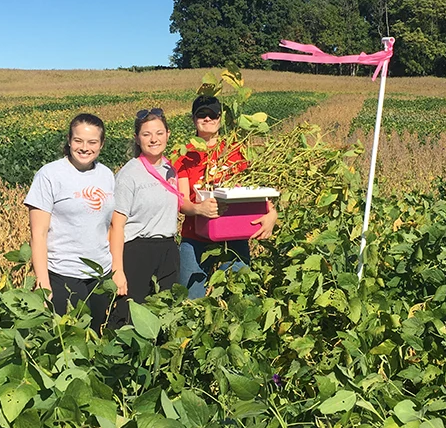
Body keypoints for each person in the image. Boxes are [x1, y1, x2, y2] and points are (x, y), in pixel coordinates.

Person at [174, 95, 277, 299]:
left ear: (220, 118)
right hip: (195, 236)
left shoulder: (236, 151)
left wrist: (271, 214)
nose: (208, 119)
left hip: (234, 233)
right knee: (190, 299)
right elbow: (182, 200)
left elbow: (254, 189)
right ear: (193, 119)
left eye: (213, 114)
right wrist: (198, 209)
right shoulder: (184, 154)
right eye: (202, 114)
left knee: (238, 296)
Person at [24, 113, 115, 331]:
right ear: (69, 140)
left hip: (100, 275)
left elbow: (109, 225)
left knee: (98, 338)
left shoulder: (107, 175)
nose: (85, 147)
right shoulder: (49, 175)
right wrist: (43, 281)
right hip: (64, 274)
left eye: (92, 142)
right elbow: (38, 234)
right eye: (78, 140)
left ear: (101, 144)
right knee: (68, 342)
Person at [108, 108, 181, 325]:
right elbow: (116, 226)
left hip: (168, 249)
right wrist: (117, 270)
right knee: (130, 315)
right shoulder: (129, 174)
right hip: (137, 252)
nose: (153, 139)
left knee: (166, 315)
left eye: (159, 133)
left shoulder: (171, 168)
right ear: (137, 139)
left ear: (168, 134)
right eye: (147, 134)